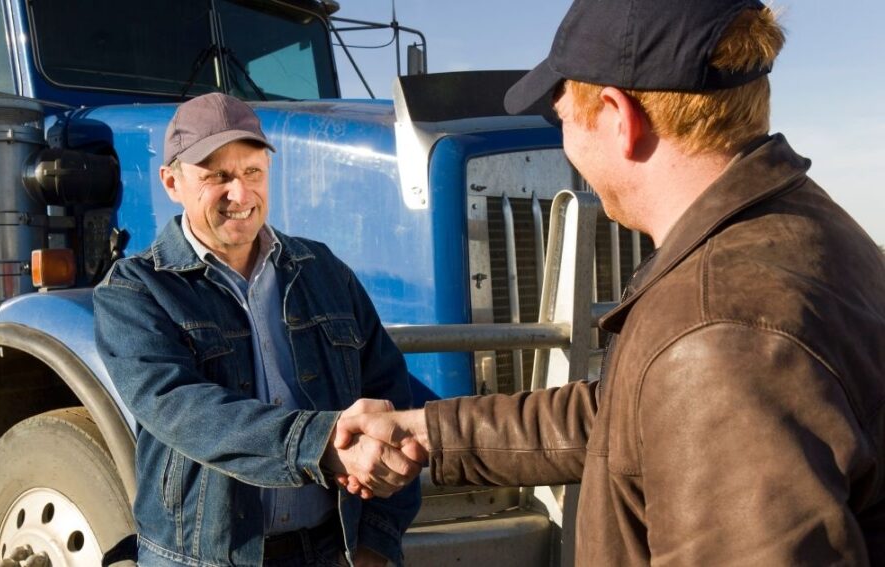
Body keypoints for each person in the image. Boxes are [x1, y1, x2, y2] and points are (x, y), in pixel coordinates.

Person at [334, 0, 885, 564]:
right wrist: (429, 432)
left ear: (621, 118)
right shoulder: (800, 227)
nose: (566, 140)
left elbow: (703, 389)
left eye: (563, 115)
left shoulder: (717, 335)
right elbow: (635, 417)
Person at [94, 92, 421, 567]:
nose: (240, 194)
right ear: (171, 182)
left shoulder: (324, 270)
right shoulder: (135, 289)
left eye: (252, 172)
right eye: (217, 176)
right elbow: (181, 408)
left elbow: (392, 394)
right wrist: (319, 443)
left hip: (331, 551)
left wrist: (376, 540)